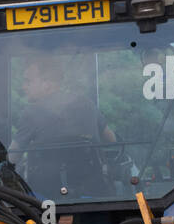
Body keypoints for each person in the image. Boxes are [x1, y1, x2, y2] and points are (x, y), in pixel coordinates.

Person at [9, 55, 117, 196]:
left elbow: (12, 158)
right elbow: (112, 140)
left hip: (45, 199)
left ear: (47, 83)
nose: (24, 86)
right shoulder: (87, 104)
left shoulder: (31, 113)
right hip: (92, 192)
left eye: (28, 81)